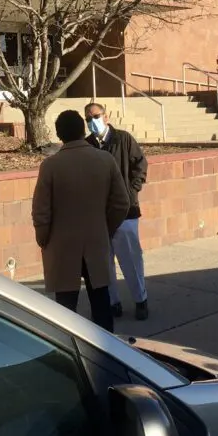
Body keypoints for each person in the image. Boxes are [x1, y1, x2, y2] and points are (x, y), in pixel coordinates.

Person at [32, 110, 130, 332]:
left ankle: (69, 346)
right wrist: (105, 228)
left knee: (66, 307)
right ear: (82, 130)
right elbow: (121, 203)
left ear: (59, 134)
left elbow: (41, 210)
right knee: (101, 301)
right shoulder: (105, 160)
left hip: (62, 245)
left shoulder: (51, 166)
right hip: (96, 240)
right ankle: (107, 346)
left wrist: (43, 238)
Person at [85, 101, 150, 321]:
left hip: (125, 211)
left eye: (95, 116)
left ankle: (140, 300)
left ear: (106, 117)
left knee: (130, 259)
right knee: (104, 262)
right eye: (88, 119)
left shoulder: (123, 139)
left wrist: (131, 192)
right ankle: (113, 302)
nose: (92, 121)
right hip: (99, 214)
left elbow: (140, 165)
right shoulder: (87, 145)